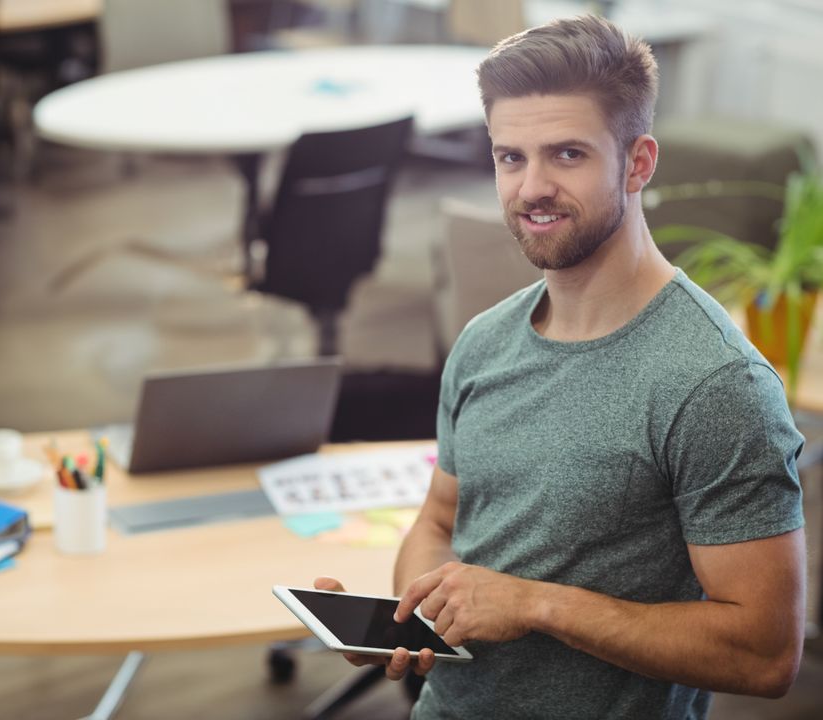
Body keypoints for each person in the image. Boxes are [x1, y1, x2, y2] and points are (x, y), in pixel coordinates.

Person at [316, 14, 806, 719]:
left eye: (567, 155)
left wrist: (537, 605)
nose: (531, 187)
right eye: (510, 157)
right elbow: (440, 521)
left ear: (639, 162)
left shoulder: (716, 385)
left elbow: (764, 654)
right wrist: (413, 619)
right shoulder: (484, 342)